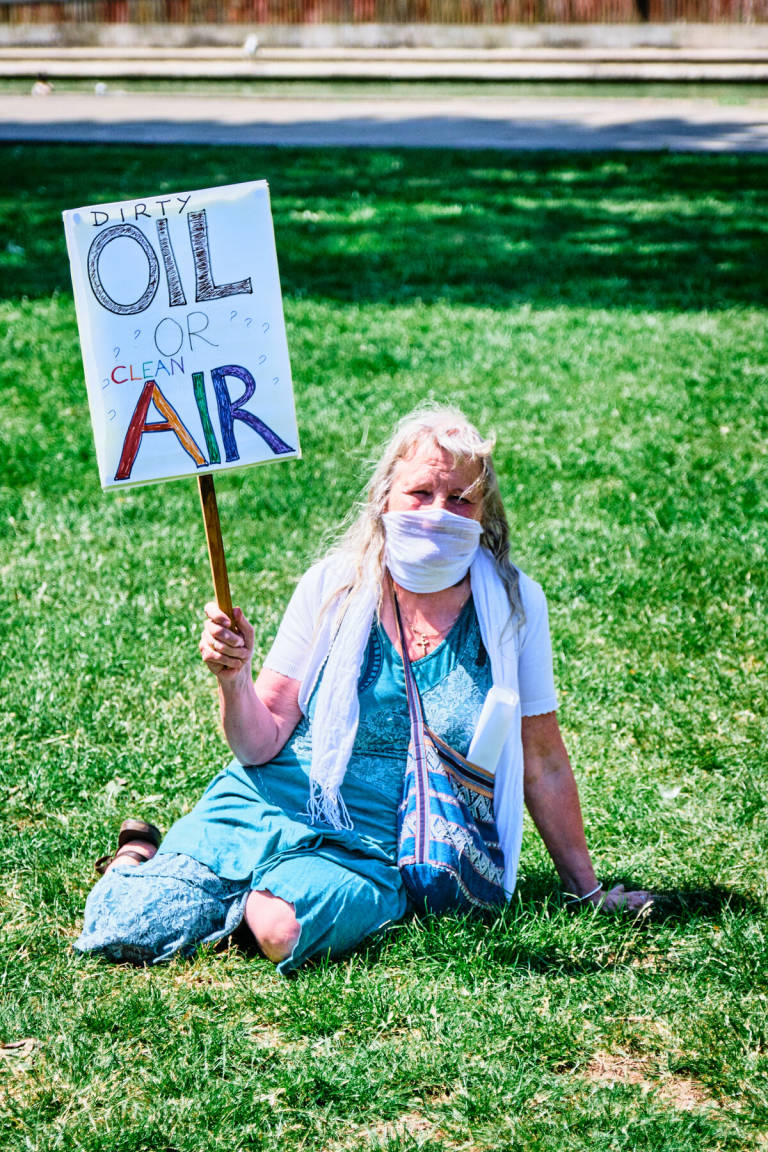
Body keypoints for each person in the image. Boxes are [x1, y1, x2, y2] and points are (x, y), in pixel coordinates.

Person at [74, 404, 650, 972]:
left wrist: (586, 888)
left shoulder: (515, 606)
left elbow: (542, 760)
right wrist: (234, 678)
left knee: (279, 924)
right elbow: (259, 742)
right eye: (420, 493)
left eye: (459, 500)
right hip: (272, 796)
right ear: (384, 500)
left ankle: (235, 895)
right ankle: (139, 856)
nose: (436, 513)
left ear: (484, 516)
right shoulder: (333, 585)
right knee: (124, 924)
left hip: (375, 838)